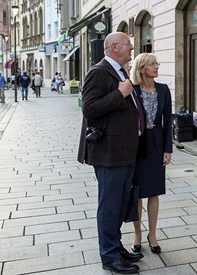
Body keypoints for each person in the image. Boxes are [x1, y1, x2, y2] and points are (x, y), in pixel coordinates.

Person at [77, 32, 145, 274]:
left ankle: (115, 247)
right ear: (114, 47)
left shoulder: (121, 70)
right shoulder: (98, 71)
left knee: (120, 203)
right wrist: (120, 94)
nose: (132, 47)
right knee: (109, 205)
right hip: (109, 152)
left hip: (125, 150)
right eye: (128, 44)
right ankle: (109, 256)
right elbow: (90, 109)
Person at [129, 53, 172, 255]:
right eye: (152, 64)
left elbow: (167, 122)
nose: (157, 67)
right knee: (136, 192)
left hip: (156, 144)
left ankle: (152, 234)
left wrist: (167, 149)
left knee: (154, 191)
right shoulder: (132, 90)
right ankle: (137, 233)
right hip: (136, 145)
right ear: (142, 68)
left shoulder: (163, 90)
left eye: (157, 64)